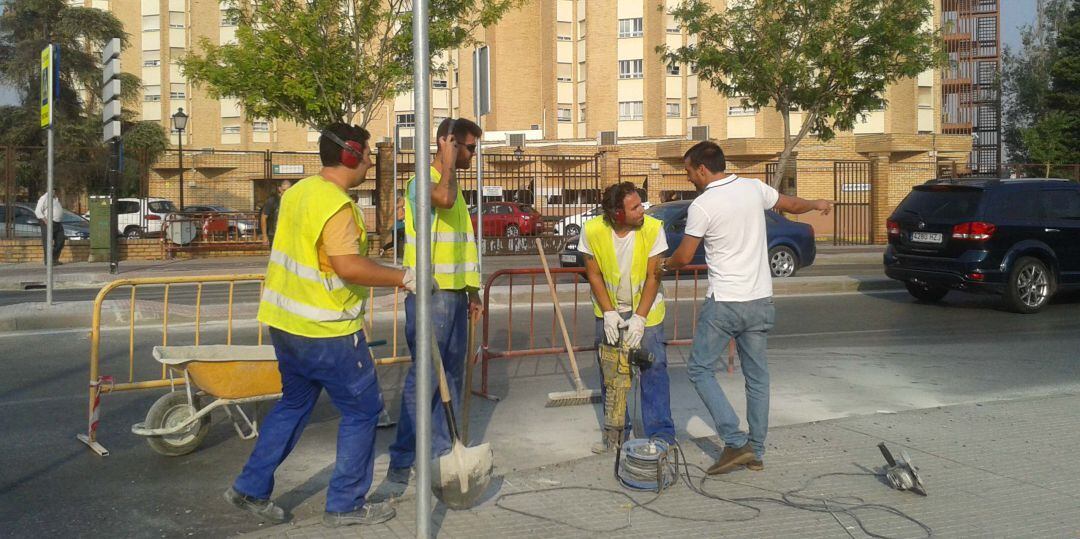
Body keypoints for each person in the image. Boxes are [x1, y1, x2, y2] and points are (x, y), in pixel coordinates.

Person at [224, 123, 416, 528]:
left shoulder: (297, 193)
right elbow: (346, 265)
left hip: (285, 324)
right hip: (326, 330)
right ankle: (345, 504)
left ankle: (250, 487)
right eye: (365, 153)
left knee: (294, 403)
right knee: (363, 411)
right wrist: (403, 277)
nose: (368, 160)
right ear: (348, 155)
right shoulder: (336, 205)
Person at [662, 141, 832, 475]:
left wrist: (663, 267)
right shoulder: (754, 189)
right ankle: (755, 451)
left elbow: (683, 256)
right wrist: (817, 203)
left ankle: (735, 441)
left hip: (726, 302)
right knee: (757, 378)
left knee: (698, 369)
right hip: (760, 301)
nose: (688, 178)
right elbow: (792, 203)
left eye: (688, 171)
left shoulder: (704, 204)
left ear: (701, 168)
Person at [387, 117, 484, 484]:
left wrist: (472, 291)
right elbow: (440, 199)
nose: (472, 155)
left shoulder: (454, 187)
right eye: (467, 147)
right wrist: (445, 160)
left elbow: (461, 245)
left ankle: (440, 449)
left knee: (452, 376)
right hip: (432, 295)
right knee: (426, 377)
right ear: (448, 142)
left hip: (455, 294)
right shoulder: (420, 184)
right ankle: (402, 459)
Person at [581, 181, 675, 452]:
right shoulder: (593, 230)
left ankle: (661, 435)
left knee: (654, 369)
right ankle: (618, 432)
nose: (641, 210)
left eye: (640, 203)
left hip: (647, 313)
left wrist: (640, 318)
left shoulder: (653, 229)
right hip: (609, 312)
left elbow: (653, 276)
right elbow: (594, 273)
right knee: (612, 372)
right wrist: (609, 312)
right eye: (634, 207)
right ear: (616, 213)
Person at [35, 189, 65, 265]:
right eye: (52, 190)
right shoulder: (45, 198)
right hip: (49, 223)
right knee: (48, 243)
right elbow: (38, 211)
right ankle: (48, 261)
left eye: (55, 190)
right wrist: (45, 221)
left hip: (58, 223)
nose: (54, 192)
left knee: (60, 241)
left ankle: (54, 259)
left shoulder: (55, 198)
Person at [261, 179, 293, 246]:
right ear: (279, 189)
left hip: (290, 235)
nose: (286, 192)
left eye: (288, 190)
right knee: (276, 256)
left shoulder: (293, 201)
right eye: (284, 190)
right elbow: (263, 218)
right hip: (274, 235)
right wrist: (264, 236)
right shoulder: (272, 201)